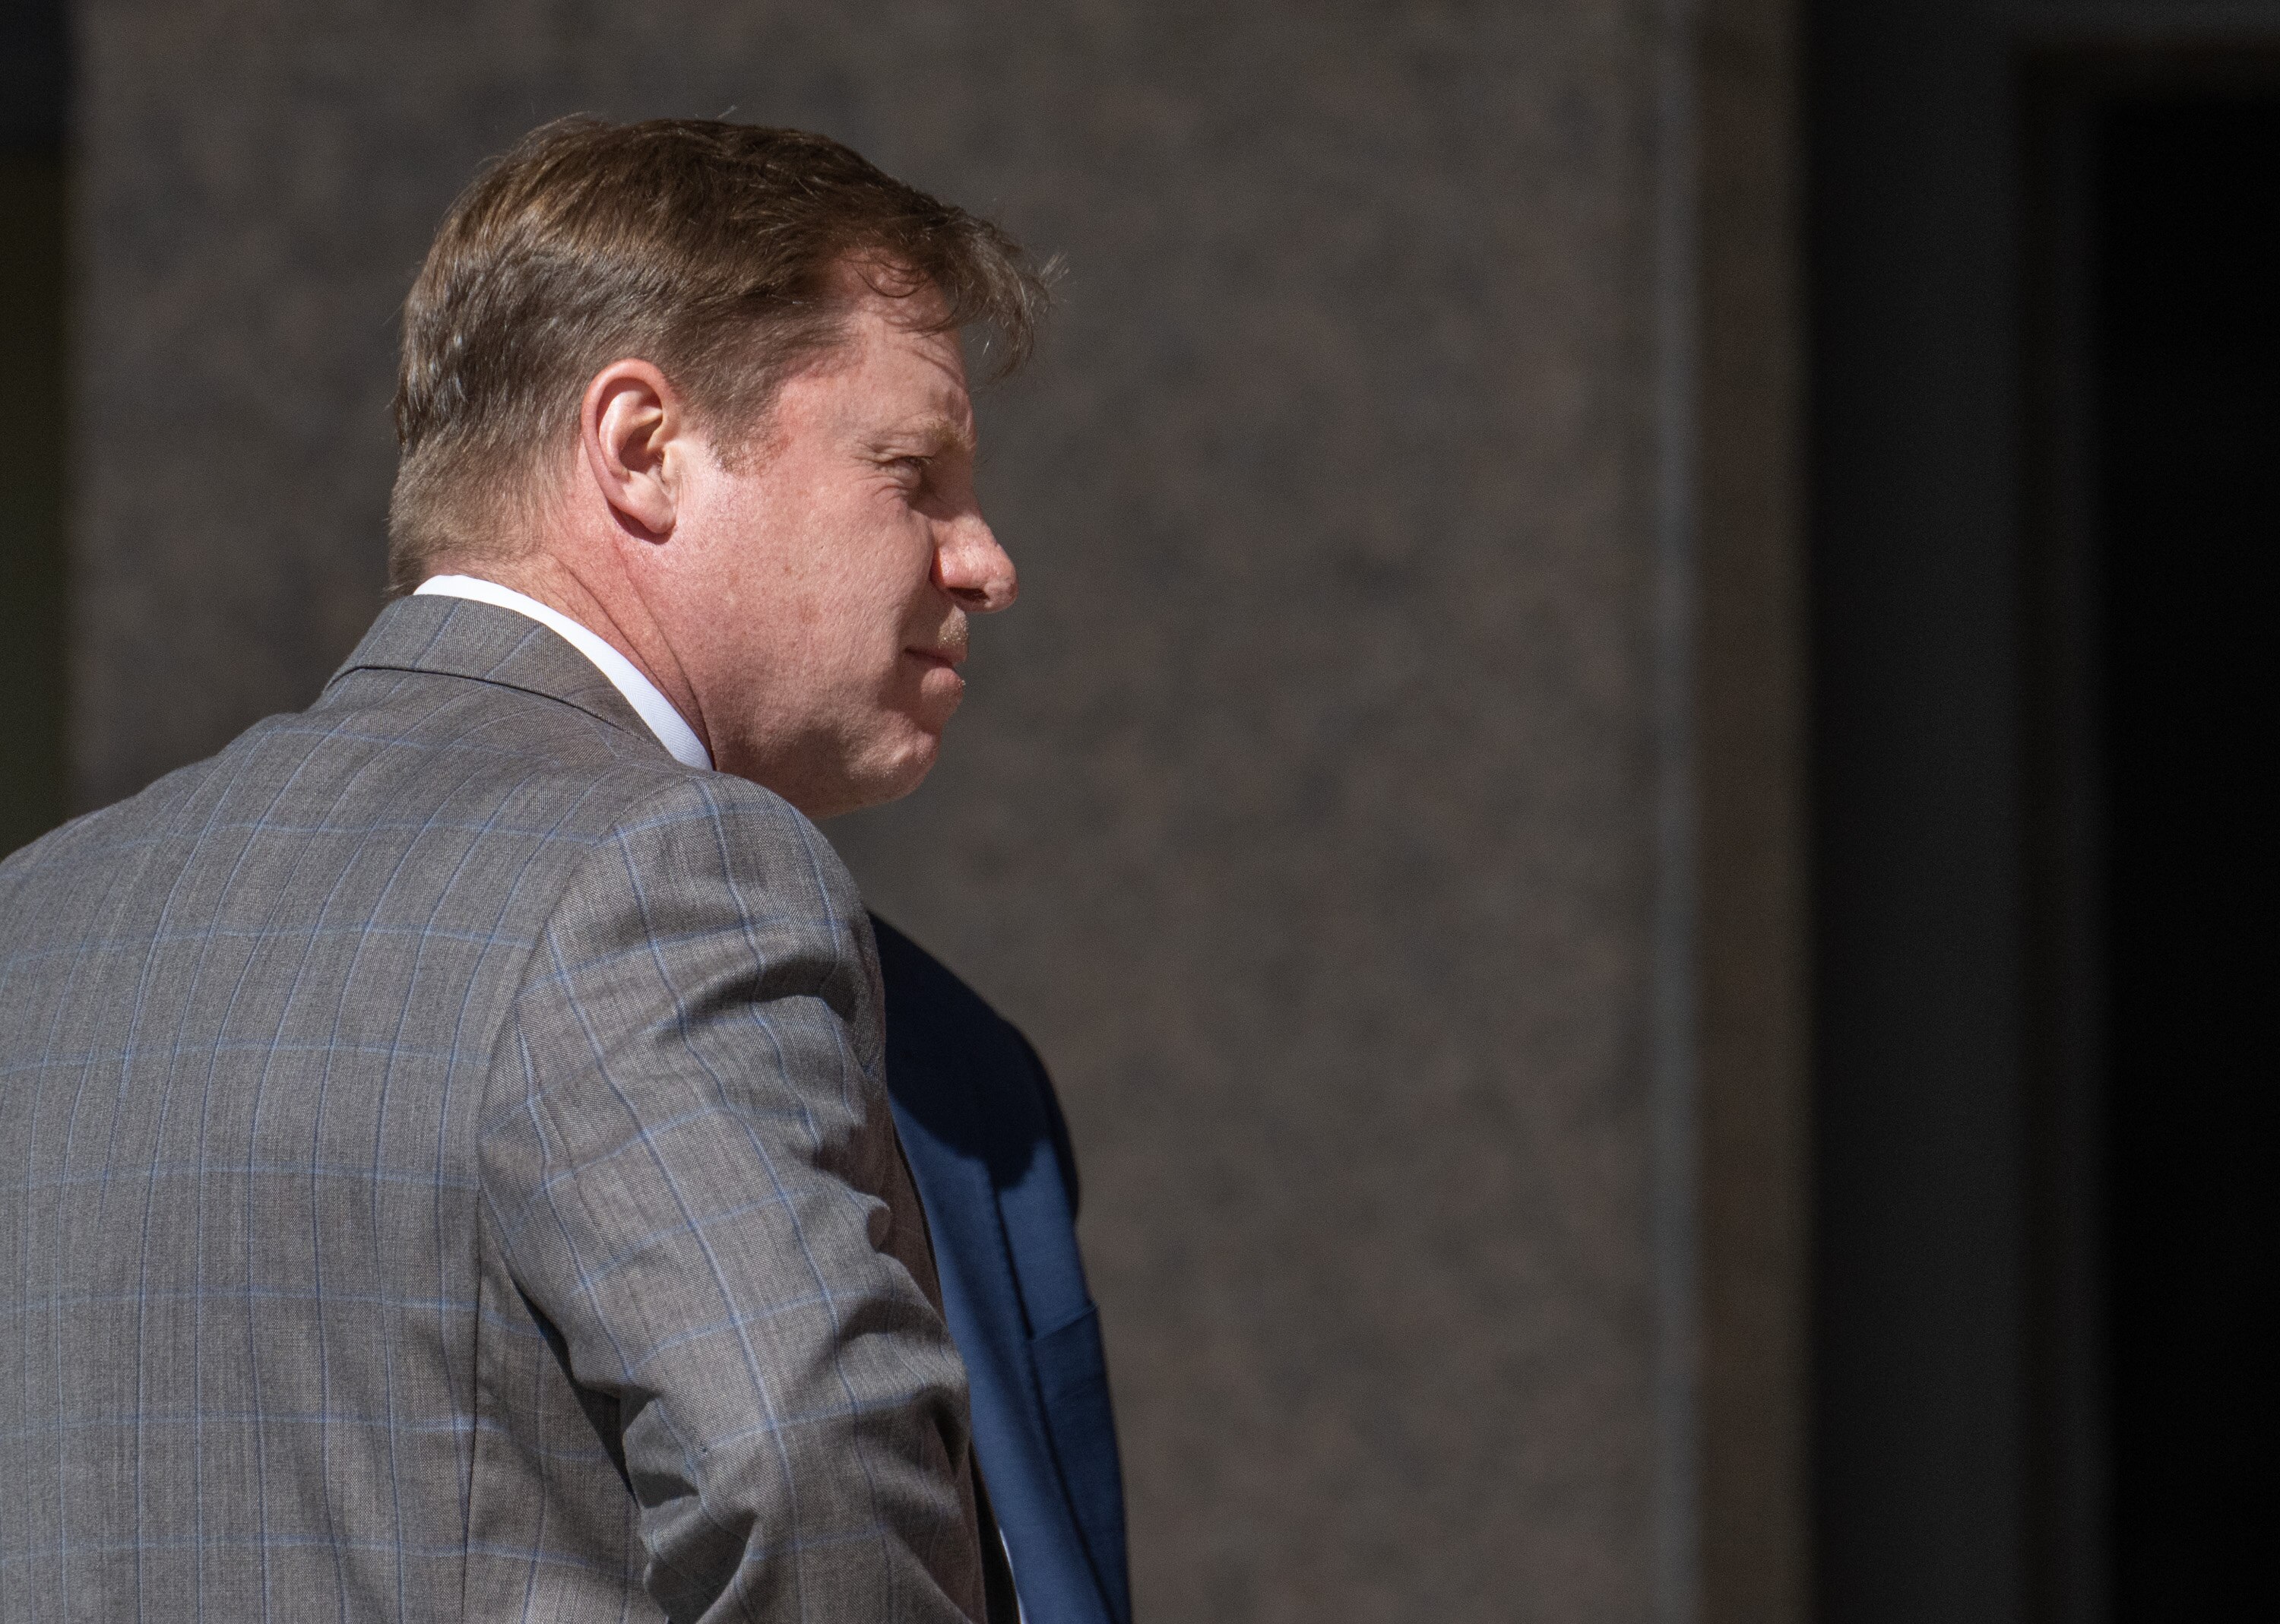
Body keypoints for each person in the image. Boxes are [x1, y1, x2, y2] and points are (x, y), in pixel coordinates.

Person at [0, 116, 1107, 1622]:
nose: (983, 559)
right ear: (644, 450)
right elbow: (805, 1470)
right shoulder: (662, 869)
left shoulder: (42, 916)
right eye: (914, 472)